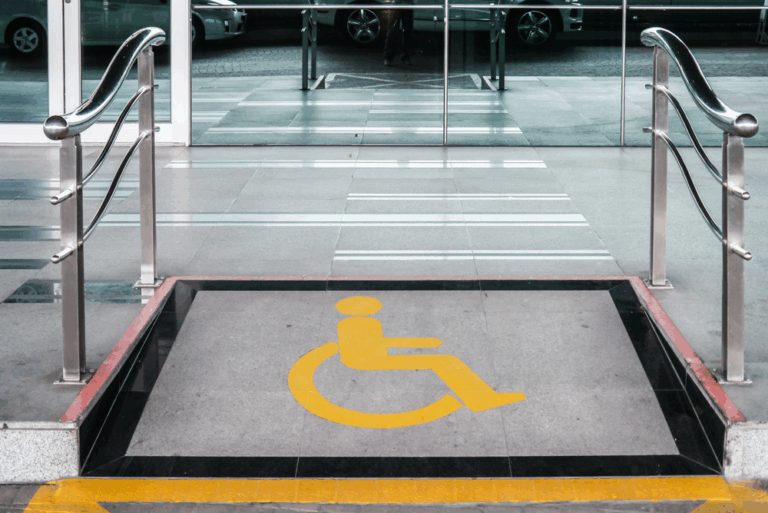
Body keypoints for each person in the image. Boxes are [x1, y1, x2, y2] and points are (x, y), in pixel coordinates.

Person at [334, 296, 526, 412]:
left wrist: (423, 342)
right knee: (445, 361)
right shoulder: (358, 324)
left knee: (444, 361)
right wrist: (422, 343)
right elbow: (375, 346)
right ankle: (482, 400)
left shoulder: (355, 324)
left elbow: (382, 342)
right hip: (368, 361)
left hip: (369, 357)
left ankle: (481, 399)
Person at [384, 0, 415, 66]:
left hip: (407, 6)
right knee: (392, 31)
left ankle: (405, 57)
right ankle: (388, 57)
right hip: (395, 5)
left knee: (408, 31)